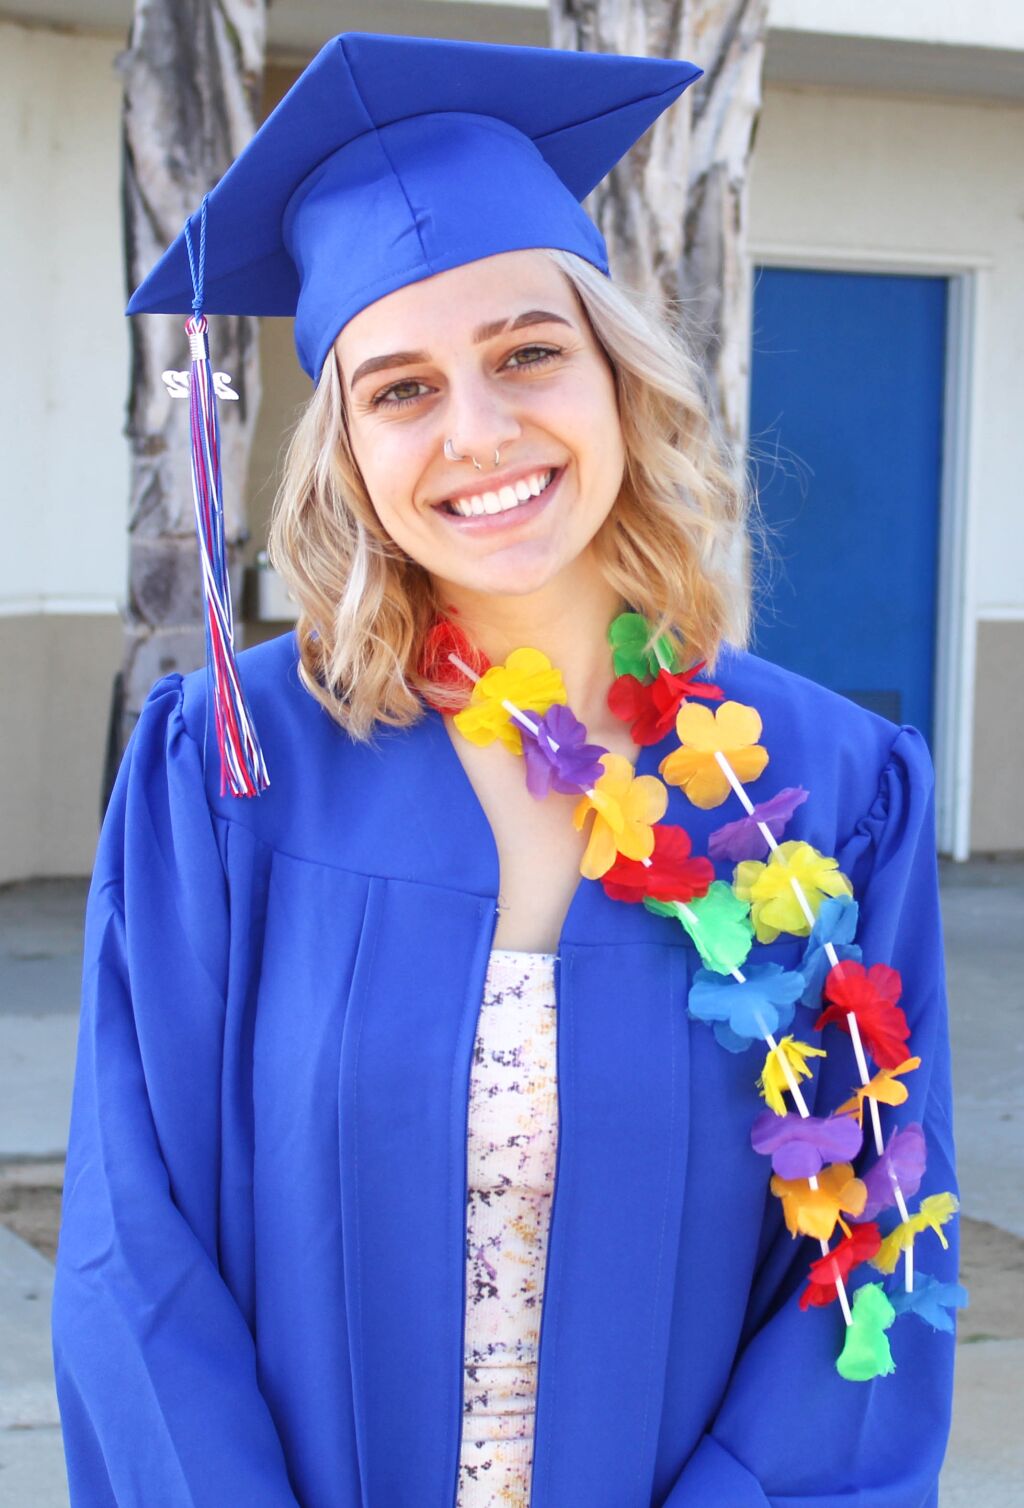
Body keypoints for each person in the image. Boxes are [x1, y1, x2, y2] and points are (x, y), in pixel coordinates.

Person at [52, 30, 963, 1508]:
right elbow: (129, 1251)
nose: (479, 432)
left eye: (529, 353)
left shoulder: (831, 787)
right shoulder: (231, 772)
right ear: (343, 448)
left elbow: (877, 1256)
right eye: (399, 388)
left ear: (620, 377)